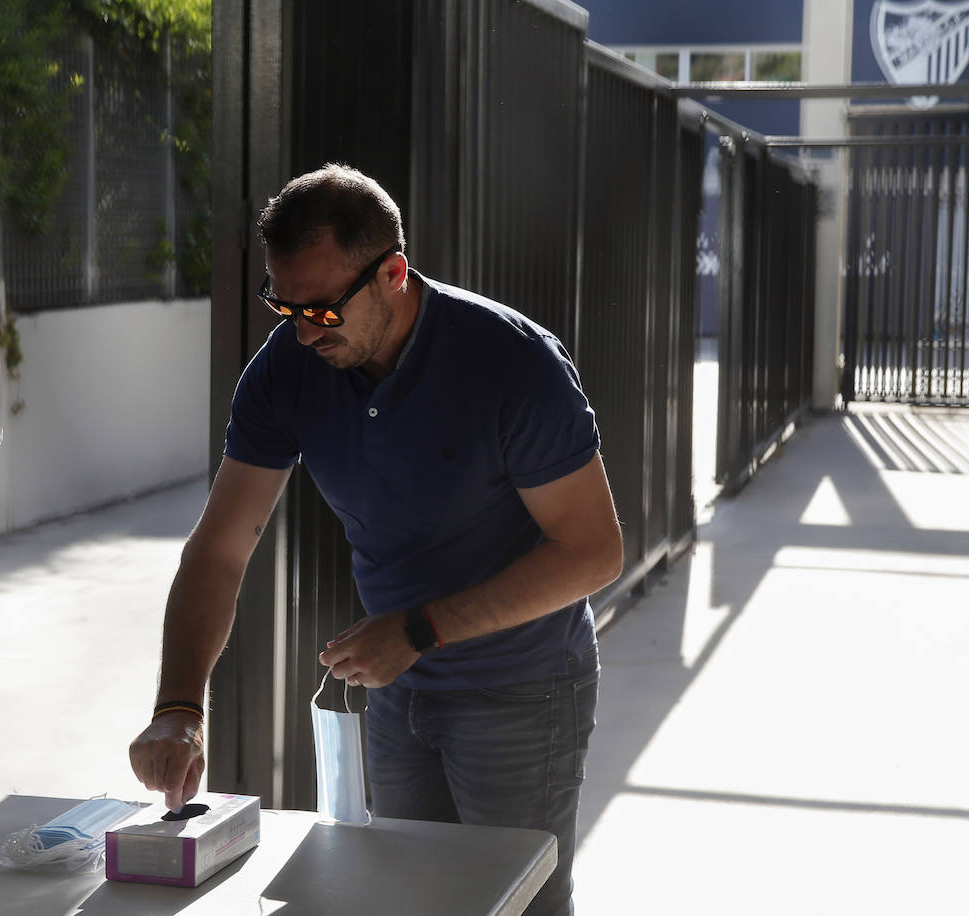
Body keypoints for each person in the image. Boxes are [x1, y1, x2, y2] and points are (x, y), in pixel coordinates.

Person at [128, 163, 621, 915]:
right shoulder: (286, 369)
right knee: (404, 900)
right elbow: (221, 548)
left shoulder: (512, 362)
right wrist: (178, 707)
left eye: (321, 310)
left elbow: (594, 552)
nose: (299, 331)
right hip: (397, 688)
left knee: (518, 903)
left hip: (523, 689)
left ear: (392, 273)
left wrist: (421, 628)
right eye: (281, 304)